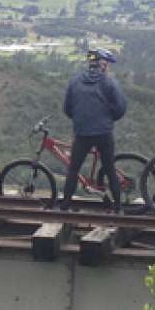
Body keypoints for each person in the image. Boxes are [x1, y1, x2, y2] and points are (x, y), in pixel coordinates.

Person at [58, 47, 127, 211]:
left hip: (82, 133)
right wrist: (108, 120)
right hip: (104, 132)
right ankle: (118, 208)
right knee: (109, 169)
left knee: (73, 169)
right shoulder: (110, 83)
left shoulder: (74, 81)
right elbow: (120, 108)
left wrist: (80, 120)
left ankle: (64, 206)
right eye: (108, 64)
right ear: (102, 64)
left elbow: (67, 108)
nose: (109, 67)